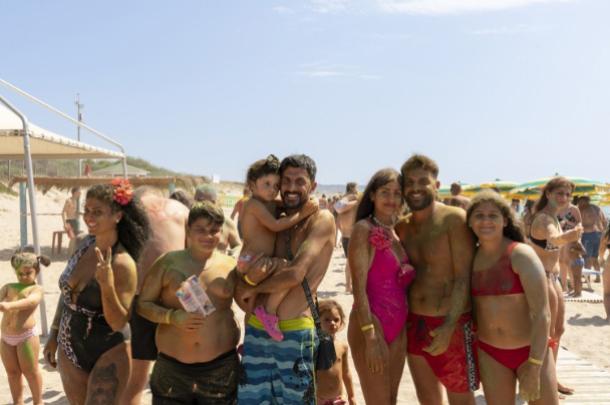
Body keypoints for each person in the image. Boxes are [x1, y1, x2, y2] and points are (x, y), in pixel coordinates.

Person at [235, 154, 336, 405]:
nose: (291, 187)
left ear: (312, 186)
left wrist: (253, 288)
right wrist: (245, 286)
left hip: (294, 334)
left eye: (299, 181)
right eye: (286, 180)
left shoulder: (321, 219)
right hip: (257, 329)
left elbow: (295, 273)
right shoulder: (278, 219)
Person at [43, 179, 150, 404]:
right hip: (69, 346)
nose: (89, 217)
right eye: (87, 210)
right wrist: (53, 334)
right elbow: (67, 296)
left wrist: (107, 285)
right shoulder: (82, 245)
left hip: (110, 350)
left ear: (117, 216)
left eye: (98, 212)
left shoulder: (123, 263)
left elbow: (119, 322)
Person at [137, 201, 240, 404]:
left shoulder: (231, 266)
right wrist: (171, 317)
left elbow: (249, 304)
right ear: (188, 231)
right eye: (200, 230)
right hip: (172, 368)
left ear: (222, 232)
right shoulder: (168, 262)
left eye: (214, 230)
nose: (208, 236)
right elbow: (143, 304)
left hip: (220, 368)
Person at [395, 154, 477, 405]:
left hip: (451, 322)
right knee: (427, 398)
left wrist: (449, 326)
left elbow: (464, 277)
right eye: (410, 182)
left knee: (460, 398)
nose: (416, 187)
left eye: (423, 181)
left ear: (436, 185)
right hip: (414, 323)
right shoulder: (402, 227)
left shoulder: (453, 219)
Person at [467, 191, 558, 404]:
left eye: (493, 216)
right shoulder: (470, 258)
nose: (486, 221)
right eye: (479, 215)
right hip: (491, 354)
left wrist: (535, 365)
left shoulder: (520, 254)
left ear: (505, 220)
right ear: (470, 222)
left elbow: (542, 313)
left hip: (531, 352)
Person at [347, 168, 415, 404]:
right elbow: (358, 286)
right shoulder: (363, 230)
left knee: (391, 400)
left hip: (398, 325)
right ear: (373, 195)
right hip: (371, 323)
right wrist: (370, 337)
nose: (391, 199)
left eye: (397, 193)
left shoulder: (397, 232)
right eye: (385, 192)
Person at [237, 155, 318, 341]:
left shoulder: (268, 203)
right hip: (254, 260)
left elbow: (289, 201)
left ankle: (249, 333)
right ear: (251, 184)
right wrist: (302, 213)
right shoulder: (253, 204)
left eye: (276, 185)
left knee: (252, 302)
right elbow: (274, 225)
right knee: (287, 270)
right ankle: (269, 312)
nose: (273, 190)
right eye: (267, 184)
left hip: (256, 260)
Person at [122, 187, 189, 405]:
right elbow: (195, 255)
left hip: (141, 295)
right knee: (185, 369)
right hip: (180, 293)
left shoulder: (129, 211)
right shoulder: (181, 210)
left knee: (137, 376)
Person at [529, 177, 583, 397]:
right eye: (560, 193)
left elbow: (556, 241)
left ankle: (551, 377)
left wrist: (572, 239)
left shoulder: (554, 216)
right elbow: (554, 238)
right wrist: (569, 236)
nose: (564, 198)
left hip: (553, 278)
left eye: (568, 194)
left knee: (558, 330)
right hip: (542, 278)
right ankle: (543, 383)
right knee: (547, 334)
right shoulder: (543, 218)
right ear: (548, 193)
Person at [1, 248, 49, 405]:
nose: (23, 277)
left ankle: (38, 402)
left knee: (31, 372)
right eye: (19, 274)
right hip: (6, 338)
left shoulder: (36, 289)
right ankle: (18, 402)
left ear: (36, 271)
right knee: (12, 373)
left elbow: (31, 302)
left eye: (28, 273)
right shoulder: (8, 287)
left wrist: (10, 306)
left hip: (25, 337)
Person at [316, 299, 356, 405]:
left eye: (336, 319)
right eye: (327, 320)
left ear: (341, 322)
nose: (332, 323)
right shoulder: (314, 346)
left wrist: (351, 396)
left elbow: (346, 373)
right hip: (318, 400)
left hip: (338, 399)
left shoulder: (342, 346)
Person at [194, 184, 242, 256]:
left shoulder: (226, 223)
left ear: (216, 202)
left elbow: (237, 246)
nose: (206, 205)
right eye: (201, 201)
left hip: (220, 266)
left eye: (211, 202)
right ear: (195, 200)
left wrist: (234, 255)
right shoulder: (187, 221)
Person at [335, 182, 359, 293]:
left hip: (346, 236)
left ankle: (349, 286)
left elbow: (338, 220)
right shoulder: (348, 203)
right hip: (350, 237)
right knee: (351, 263)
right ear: (352, 189)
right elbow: (337, 207)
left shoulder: (345, 203)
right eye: (356, 189)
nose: (357, 191)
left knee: (350, 263)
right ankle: (348, 286)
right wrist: (354, 199)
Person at [578, 196, 608, 276]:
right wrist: (603, 233)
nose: (579, 204)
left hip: (588, 234)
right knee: (595, 258)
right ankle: (598, 276)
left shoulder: (582, 209)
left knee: (587, 257)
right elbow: (605, 222)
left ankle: (587, 277)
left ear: (584, 201)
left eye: (580, 202)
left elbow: (578, 223)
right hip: (599, 235)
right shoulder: (597, 208)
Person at [557, 202, 582, 292]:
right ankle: (564, 287)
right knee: (561, 262)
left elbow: (579, 224)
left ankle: (573, 286)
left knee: (569, 262)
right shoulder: (557, 208)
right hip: (560, 237)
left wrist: (568, 222)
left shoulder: (573, 208)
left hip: (571, 238)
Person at [599, 224, 610, 320]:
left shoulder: (607, 232)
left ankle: (609, 316)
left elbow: (602, 248)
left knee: (607, 293)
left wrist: (601, 259)